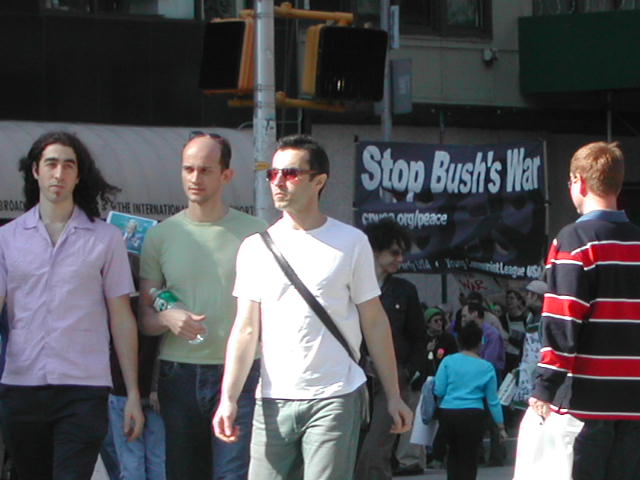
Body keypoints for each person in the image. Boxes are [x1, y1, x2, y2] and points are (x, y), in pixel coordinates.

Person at [212, 134, 412, 480]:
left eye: (290, 174)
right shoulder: (255, 248)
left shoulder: (351, 242)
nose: (278, 182)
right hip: (272, 398)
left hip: (335, 394)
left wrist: (393, 396)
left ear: (319, 181)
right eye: (272, 174)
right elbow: (245, 329)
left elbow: (375, 322)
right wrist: (228, 398)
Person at [0, 131, 144, 480]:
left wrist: (133, 394)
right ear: (35, 171)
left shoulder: (105, 239)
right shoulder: (7, 238)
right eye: (51, 164)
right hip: (22, 385)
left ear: (78, 176)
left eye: (68, 165)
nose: (59, 173)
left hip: (84, 388)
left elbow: (121, 317)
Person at [139, 132, 267, 480]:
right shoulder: (161, 236)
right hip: (178, 372)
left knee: (233, 473)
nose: (195, 178)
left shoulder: (256, 233)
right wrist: (167, 318)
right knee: (183, 472)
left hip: (241, 372)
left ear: (226, 175)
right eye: (189, 169)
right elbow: (144, 317)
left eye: (206, 170)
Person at [530, 141, 640, 480]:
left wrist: (545, 386)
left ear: (579, 181)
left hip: (585, 405)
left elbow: (563, 319)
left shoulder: (575, 240)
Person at [355, 219, 426, 480]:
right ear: (374, 250)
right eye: (394, 252)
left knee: (374, 455)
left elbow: (420, 337)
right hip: (354, 379)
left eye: (403, 253)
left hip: (392, 381)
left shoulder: (405, 291)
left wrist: (409, 371)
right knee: (350, 451)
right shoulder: (350, 287)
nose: (400, 259)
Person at [110, 253, 165, 480]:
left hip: (122, 390)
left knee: (130, 462)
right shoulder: (164, 304)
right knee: (159, 461)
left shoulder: (114, 307)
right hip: (157, 392)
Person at [434, 322, 506, 480]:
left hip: (449, 414)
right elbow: (493, 400)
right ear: (480, 343)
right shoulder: (486, 367)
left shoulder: (447, 361)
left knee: (453, 456)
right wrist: (500, 426)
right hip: (473, 415)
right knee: (469, 458)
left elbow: (439, 390)